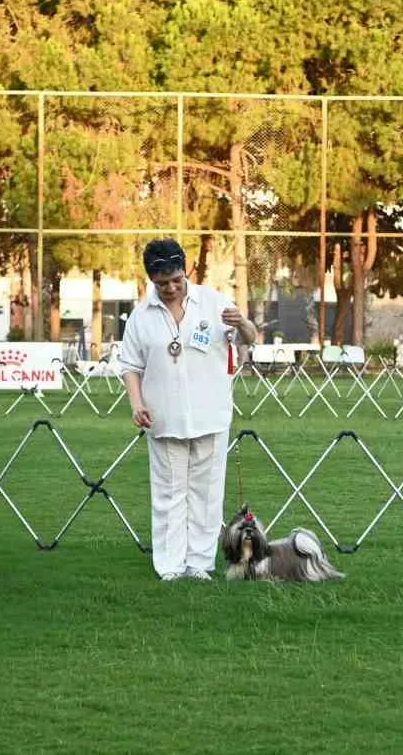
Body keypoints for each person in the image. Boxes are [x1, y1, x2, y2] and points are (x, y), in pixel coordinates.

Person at [119, 238, 258, 581]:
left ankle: (199, 563)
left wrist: (241, 323)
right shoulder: (141, 315)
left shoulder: (212, 302)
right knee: (168, 493)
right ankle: (169, 565)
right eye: (161, 283)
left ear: (186, 271)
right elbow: (130, 365)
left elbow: (251, 338)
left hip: (211, 414)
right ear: (151, 279)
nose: (170, 288)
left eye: (176, 280)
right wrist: (136, 403)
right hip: (164, 417)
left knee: (207, 493)